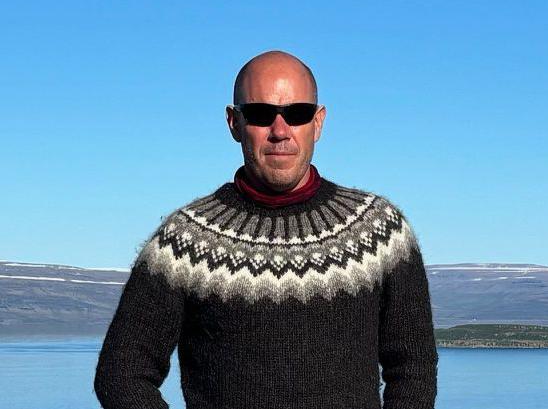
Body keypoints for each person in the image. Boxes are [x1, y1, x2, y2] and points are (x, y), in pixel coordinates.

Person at [93, 50, 439, 409]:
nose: (280, 131)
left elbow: (413, 368)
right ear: (234, 123)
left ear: (317, 123)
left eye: (297, 114)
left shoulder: (381, 231)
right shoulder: (184, 242)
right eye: (260, 114)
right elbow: (122, 373)